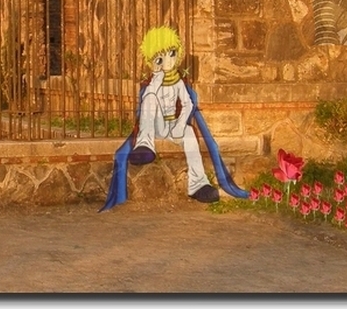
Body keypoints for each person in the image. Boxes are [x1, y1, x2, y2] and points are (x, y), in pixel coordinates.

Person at [101, 26, 247, 211]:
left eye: (171, 54)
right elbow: (146, 103)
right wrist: (156, 77)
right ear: (152, 60)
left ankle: (198, 184)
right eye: (160, 58)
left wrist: (180, 124)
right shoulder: (152, 84)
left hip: (173, 125)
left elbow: (188, 104)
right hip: (155, 126)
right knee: (150, 98)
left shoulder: (178, 82)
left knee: (189, 135)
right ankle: (144, 145)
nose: (168, 61)